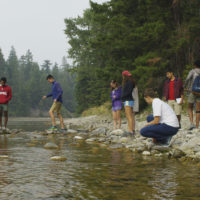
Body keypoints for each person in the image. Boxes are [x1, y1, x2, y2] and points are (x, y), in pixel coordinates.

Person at [184, 60, 200, 130]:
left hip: (192, 91)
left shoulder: (192, 71)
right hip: (199, 93)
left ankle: (192, 123)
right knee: (198, 110)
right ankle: (197, 126)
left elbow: (187, 79)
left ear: (195, 65)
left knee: (190, 107)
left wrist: (184, 86)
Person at [121, 70, 135, 135]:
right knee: (131, 116)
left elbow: (128, 92)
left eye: (123, 76)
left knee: (128, 116)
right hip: (130, 100)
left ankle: (130, 130)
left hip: (128, 100)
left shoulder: (128, 82)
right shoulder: (131, 81)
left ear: (124, 76)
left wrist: (122, 97)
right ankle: (131, 130)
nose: (122, 77)